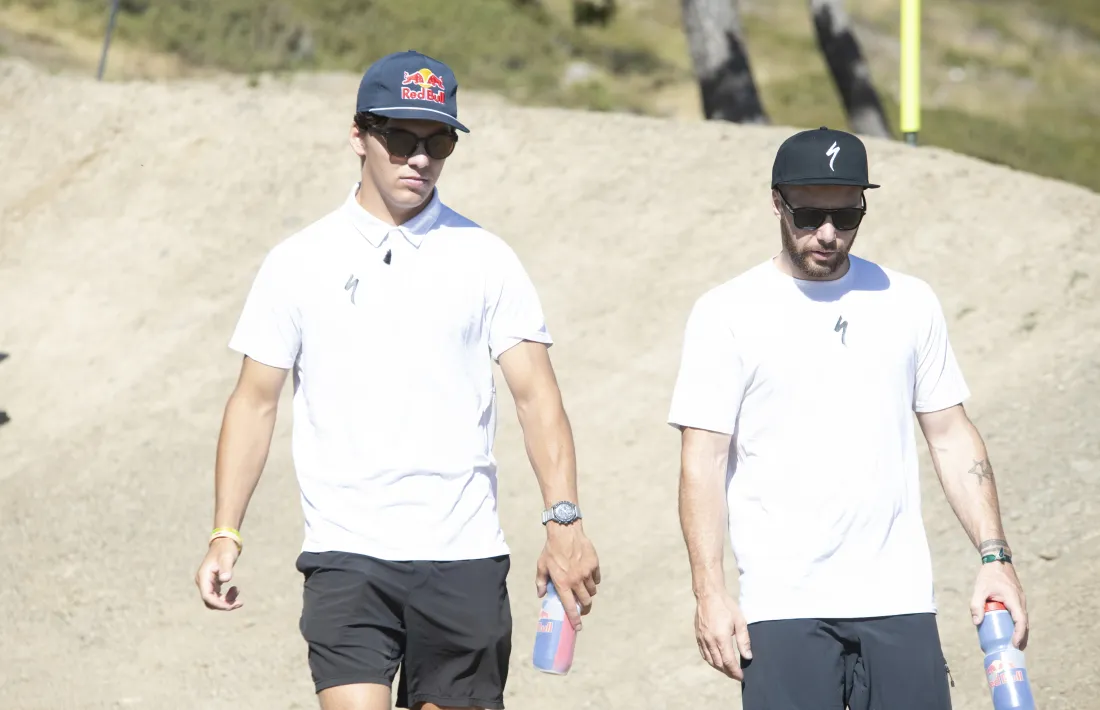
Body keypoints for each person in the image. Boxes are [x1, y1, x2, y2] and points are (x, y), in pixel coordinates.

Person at [193, 50, 600, 710]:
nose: (419, 158)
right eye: (401, 138)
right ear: (359, 136)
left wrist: (565, 522)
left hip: (463, 555)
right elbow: (254, 402)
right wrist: (224, 532)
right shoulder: (298, 262)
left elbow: (537, 396)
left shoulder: (487, 259)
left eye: (438, 141)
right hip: (346, 555)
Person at [667, 126, 1028, 710]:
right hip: (783, 607)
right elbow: (701, 461)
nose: (829, 234)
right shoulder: (727, 313)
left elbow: (951, 436)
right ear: (776, 202)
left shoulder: (908, 301)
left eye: (848, 215)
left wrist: (996, 559)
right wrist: (710, 593)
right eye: (809, 215)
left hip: (900, 601)